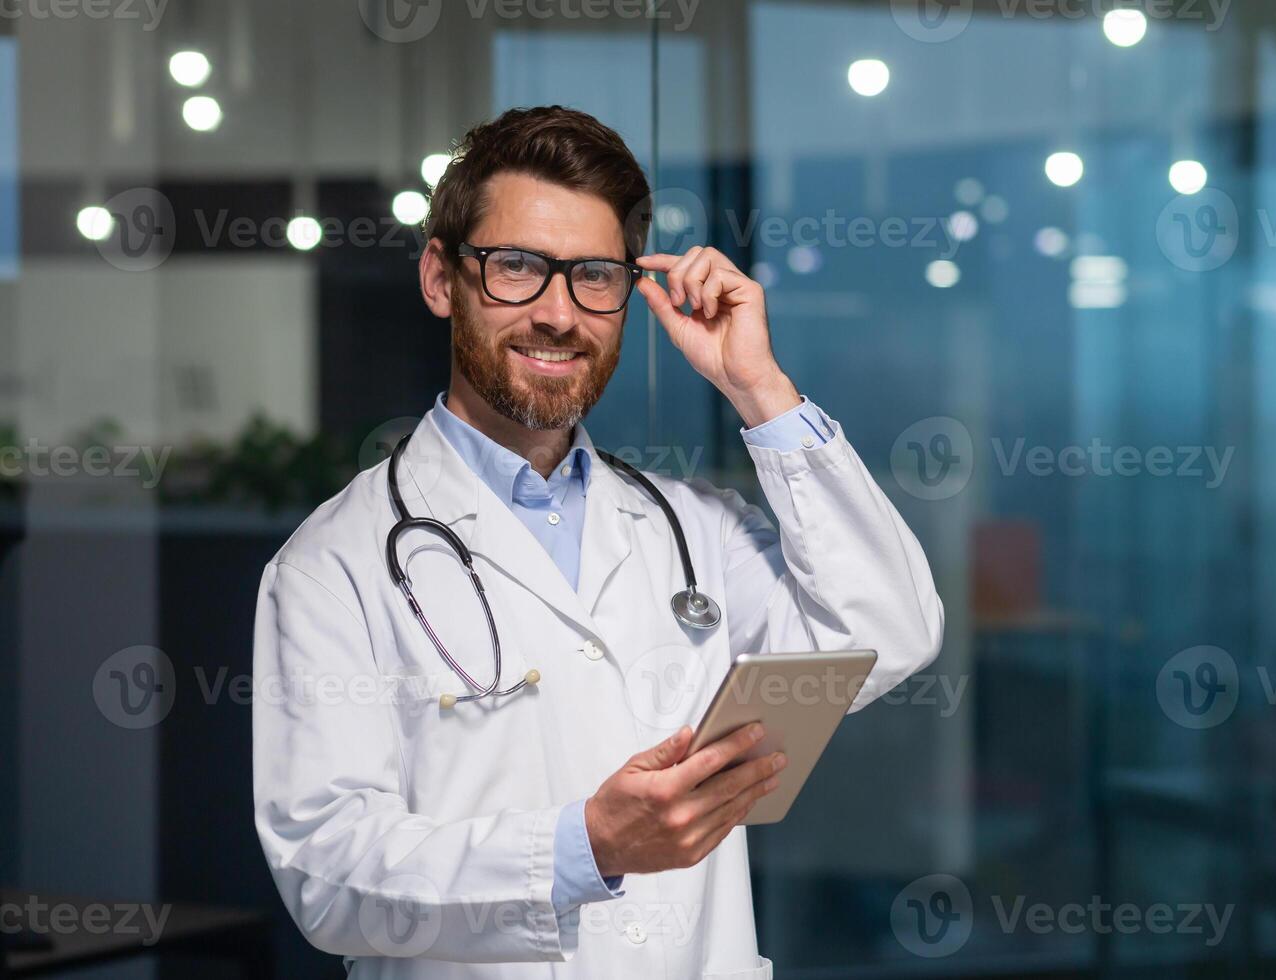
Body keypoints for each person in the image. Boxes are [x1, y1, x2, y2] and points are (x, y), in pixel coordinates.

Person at [252, 104, 944, 979]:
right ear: (441, 278)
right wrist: (583, 847)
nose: (558, 313)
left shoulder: (693, 528)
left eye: (595, 276)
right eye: (516, 268)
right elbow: (330, 876)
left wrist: (760, 388)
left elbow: (888, 633)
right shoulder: (335, 563)